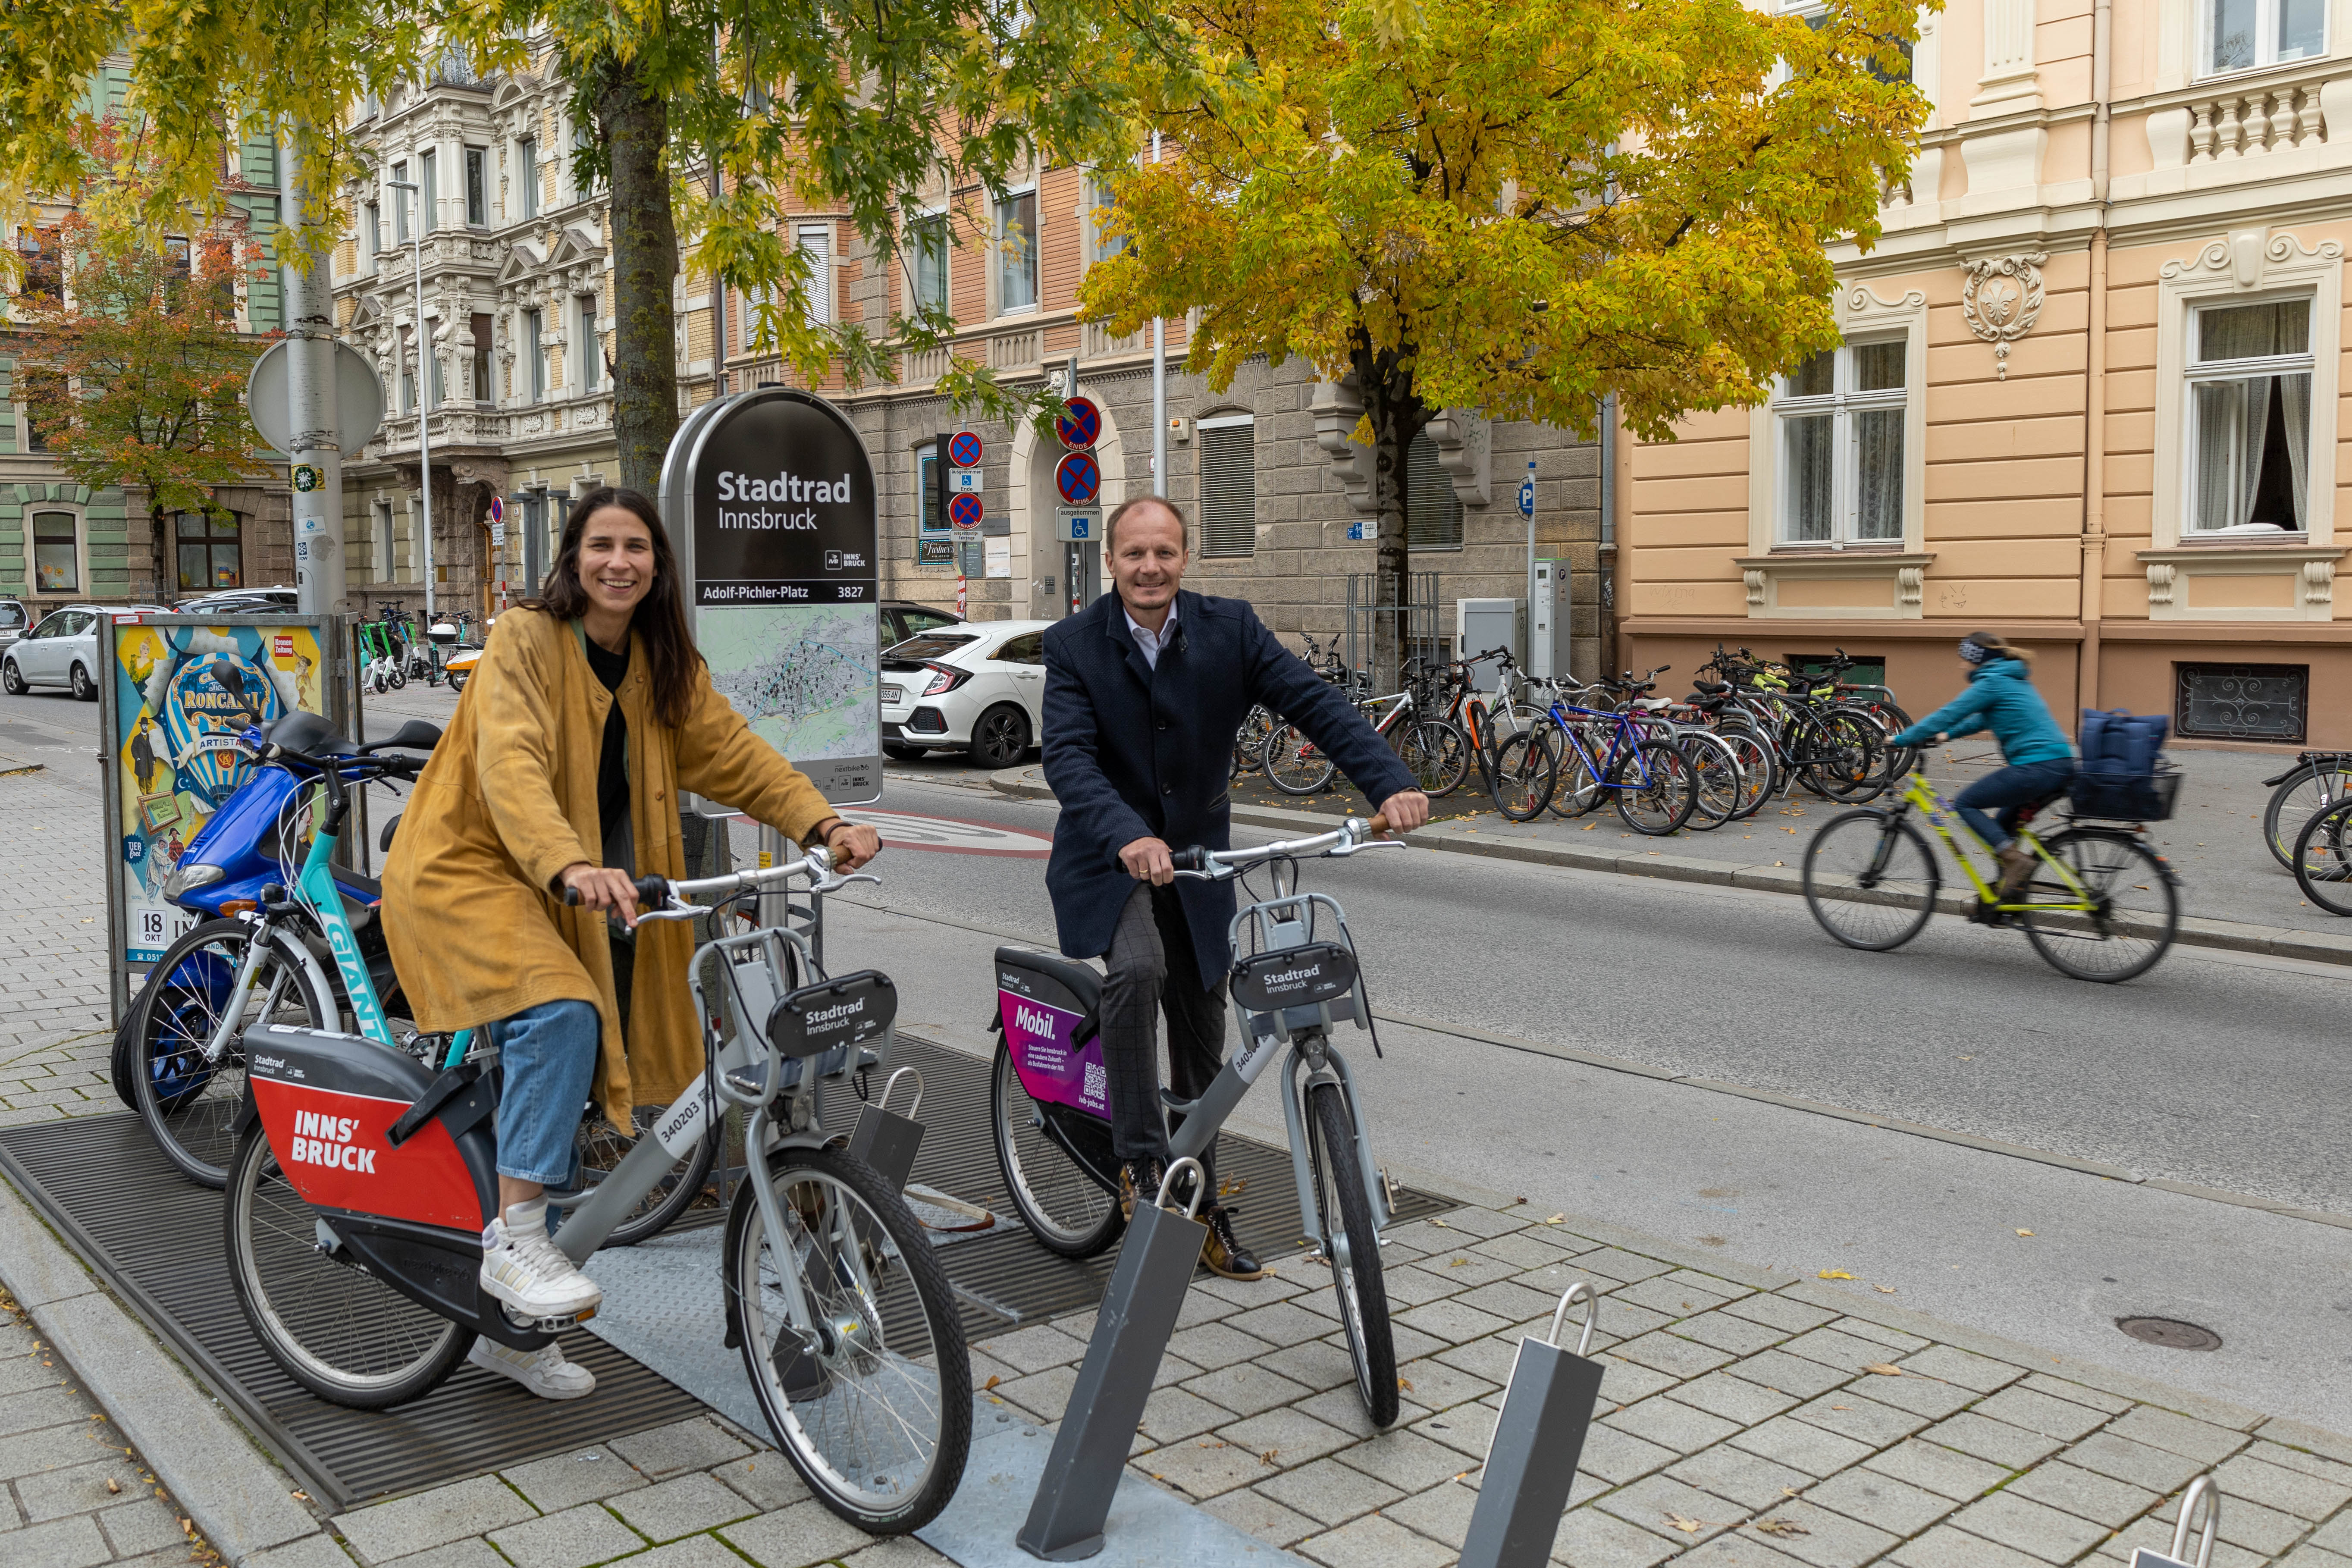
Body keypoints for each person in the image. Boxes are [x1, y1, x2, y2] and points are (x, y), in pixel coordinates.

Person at [383, 487, 879, 1399]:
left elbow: (733, 753)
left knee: (587, 1051)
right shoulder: (524, 640)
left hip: (579, 883)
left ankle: (514, 1338)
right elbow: (512, 765)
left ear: (658, 566)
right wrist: (570, 864)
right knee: (566, 1013)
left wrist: (820, 821)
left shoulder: (657, 661)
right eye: (603, 545)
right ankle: (518, 1243)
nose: (621, 562)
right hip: (476, 868)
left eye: (638, 548)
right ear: (573, 558)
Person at [1041, 495, 1430, 1280]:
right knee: (1140, 969)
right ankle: (1140, 1166)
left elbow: (1315, 703)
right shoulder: (1073, 645)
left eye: (1164, 553)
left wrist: (1386, 783)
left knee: (1201, 1025)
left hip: (1198, 863)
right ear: (1110, 562)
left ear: (1184, 558)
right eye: (1133, 555)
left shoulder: (1231, 629)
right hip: (1107, 858)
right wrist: (1127, 834)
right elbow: (1068, 761)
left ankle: (1200, 1200)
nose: (1149, 568)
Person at [1887, 632, 2075, 902]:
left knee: (1965, 803)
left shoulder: (1993, 682)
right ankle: (2005, 897)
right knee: (2002, 825)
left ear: (1977, 659)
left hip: (2036, 768)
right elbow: (1981, 719)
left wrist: (1904, 739)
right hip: (2056, 765)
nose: (1961, 665)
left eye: (1964, 659)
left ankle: (2017, 863)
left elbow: (1949, 713)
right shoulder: (2011, 678)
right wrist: (1946, 736)